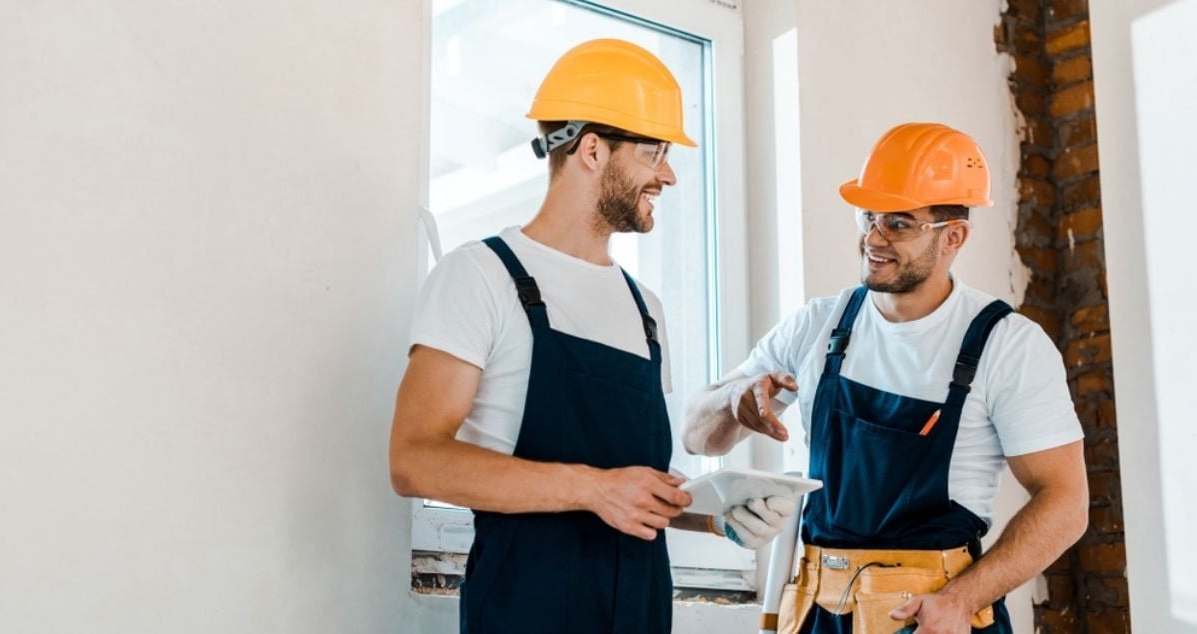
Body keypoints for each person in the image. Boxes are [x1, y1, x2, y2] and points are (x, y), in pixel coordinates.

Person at [389, 38, 793, 634]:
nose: (670, 174)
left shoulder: (644, 309)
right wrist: (591, 489)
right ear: (593, 150)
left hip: (641, 613)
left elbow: (631, 488)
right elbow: (414, 459)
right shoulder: (481, 276)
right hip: (526, 611)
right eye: (654, 151)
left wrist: (714, 514)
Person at [683, 122, 1089, 633]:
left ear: (954, 237)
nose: (873, 238)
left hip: (931, 617)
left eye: (899, 223)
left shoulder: (1006, 345)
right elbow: (696, 437)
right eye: (869, 216)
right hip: (817, 612)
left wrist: (963, 600)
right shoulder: (819, 325)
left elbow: (1066, 503)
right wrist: (732, 402)